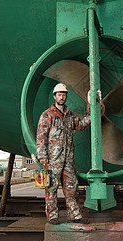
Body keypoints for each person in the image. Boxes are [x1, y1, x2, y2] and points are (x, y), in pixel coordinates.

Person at [36, 83, 91, 225]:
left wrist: (93, 113)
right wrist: (43, 158)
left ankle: (74, 214)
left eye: (64, 94)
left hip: (68, 159)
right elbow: (41, 137)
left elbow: (81, 125)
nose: (61, 97)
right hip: (53, 160)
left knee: (71, 187)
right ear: (54, 96)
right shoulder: (47, 115)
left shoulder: (70, 115)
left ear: (66, 96)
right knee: (51, 188)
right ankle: (52, 216)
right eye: (59, 94)